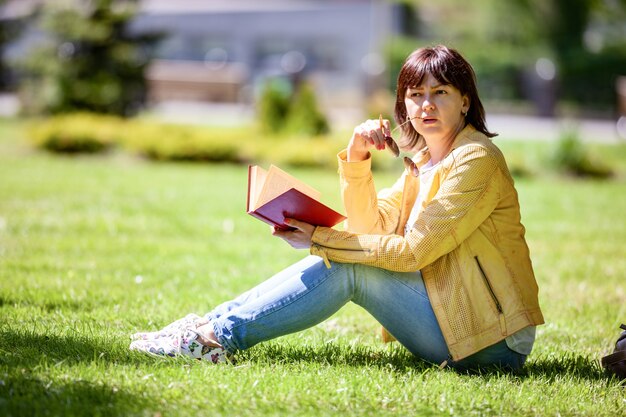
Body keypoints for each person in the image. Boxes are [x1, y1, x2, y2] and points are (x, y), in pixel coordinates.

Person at [130, 45, 544, 371]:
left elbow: (414, 251)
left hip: (491, 340)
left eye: (440, 93)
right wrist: (357, 157)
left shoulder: (476, 160)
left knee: (348, 265)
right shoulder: (425, 163)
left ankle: (212, 339)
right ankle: (207, 328)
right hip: (454, 319)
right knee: (344, 258)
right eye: (415, 95)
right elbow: (373, 228)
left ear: (465, 102)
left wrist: (322, 240)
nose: (426, 106)